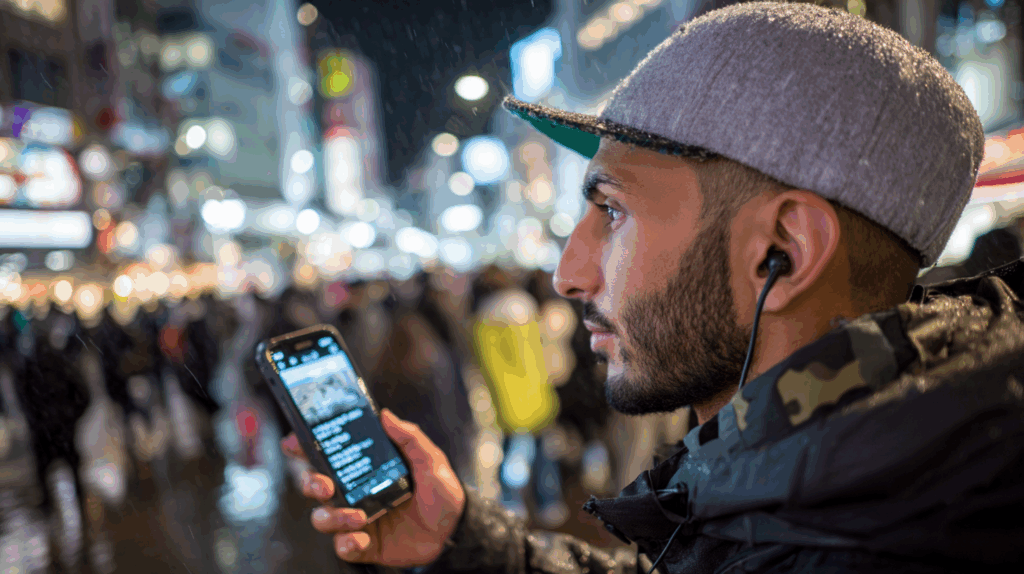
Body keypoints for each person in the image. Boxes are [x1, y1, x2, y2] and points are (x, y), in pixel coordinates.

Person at [281, 3, 1024, 572]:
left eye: (613, 210)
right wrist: (472, 543)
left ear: (783, 250)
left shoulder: (863, 528)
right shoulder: (850, 486)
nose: (567, 275)